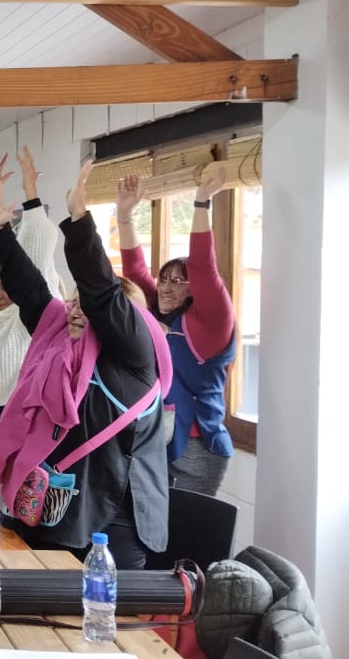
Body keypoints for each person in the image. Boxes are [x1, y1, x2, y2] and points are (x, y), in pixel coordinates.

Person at [0, 162, 171, 569]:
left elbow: (102, 292)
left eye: (88, 306)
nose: (76, 310)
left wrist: (81, 222)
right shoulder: (58, 333)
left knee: (100, 609)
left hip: (117, 519)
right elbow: (31, 290)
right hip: (55, 508)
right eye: (74, 301)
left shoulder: (135, 356)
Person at [116, 169, 237, 496]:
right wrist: (124, 215)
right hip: (159, 437)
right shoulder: (158, 309)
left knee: (185, 527)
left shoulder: (212, 324)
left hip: (197, 446)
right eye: (164, 279)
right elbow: (134, 272)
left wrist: (201, 203)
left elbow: (203, 267)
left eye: (178, 281)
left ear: (194, 290)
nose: (166, 288)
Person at [0, 148, 61, 480]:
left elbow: (36, 254)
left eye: (8, 287)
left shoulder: (31, 317)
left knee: (4, 489)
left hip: (14, 415)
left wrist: (32, 197)